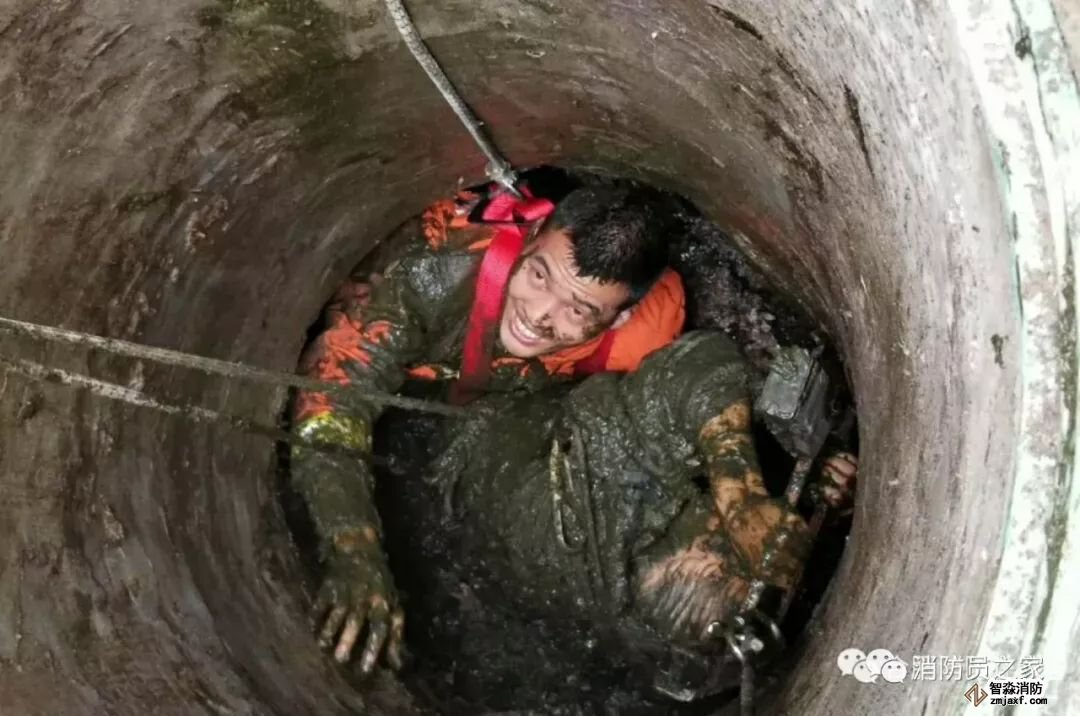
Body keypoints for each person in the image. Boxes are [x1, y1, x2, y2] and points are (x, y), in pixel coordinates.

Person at [290, 173, 855, 684]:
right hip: (467, 431)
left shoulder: (643, 330)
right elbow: (330, 408)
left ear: (619, 316)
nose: (539, 314)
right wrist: (353, 549)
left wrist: (779, 476)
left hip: (535, 419)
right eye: (539, 275)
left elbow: (697, 375)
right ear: (532, 238)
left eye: (578, 310)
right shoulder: (433, 275)